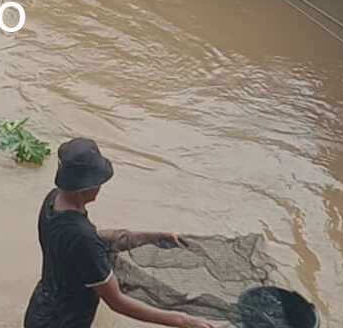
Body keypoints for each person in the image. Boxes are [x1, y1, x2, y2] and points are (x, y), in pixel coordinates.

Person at [24, 138, 215, 328]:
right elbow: (117, 302)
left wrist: (153, 237)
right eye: (99, 181)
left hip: (41, 308)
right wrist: (183, 320)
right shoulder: (81, 237)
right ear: (84, 187)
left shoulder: (54, 199)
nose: (101, 186)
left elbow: (94, 239)